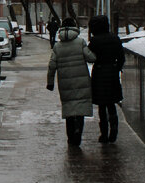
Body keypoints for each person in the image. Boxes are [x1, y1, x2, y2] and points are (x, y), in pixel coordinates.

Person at [46, 18, 95, 147]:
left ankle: (70, 137)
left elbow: (52, 66)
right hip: (81, 81)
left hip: (65, 83)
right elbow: (91, 58)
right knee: (80, 109)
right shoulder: (80, 42)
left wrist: (50, 82)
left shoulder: (57, 46)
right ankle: (78, 132)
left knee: (69, 109)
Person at [87, 15, 124, 143]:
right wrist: (116, 69)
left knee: (102, 106)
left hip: (99, 74)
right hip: (112, 74)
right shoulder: (115, 39)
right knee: (112, 103)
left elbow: (89, 56)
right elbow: (121, 58)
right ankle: (114, 130)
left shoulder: (95, 41)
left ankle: (104, 133)